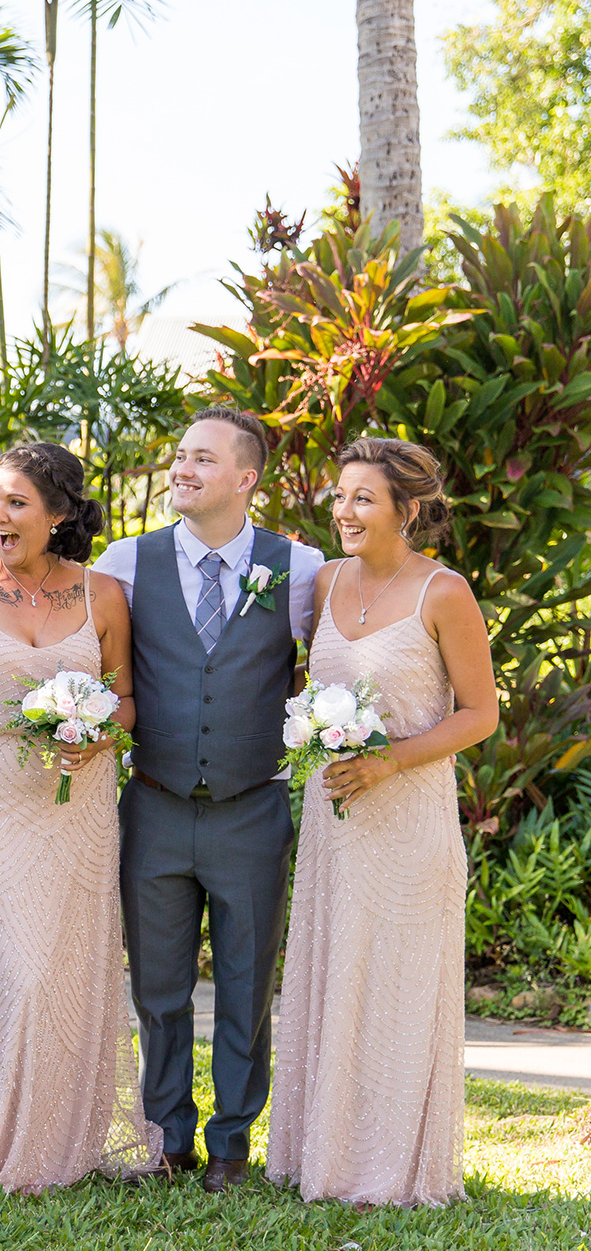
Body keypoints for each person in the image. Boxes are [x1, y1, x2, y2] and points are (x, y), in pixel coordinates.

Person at [0, 442, 160, 1192]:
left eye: (16, 502)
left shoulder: (104, 594)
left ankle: (61, 1140)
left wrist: (100, 733)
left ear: (58, 514)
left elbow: (126, 699)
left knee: (65, 966)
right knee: (12, 966)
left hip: (78, 800)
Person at [89, 406, 325, 1193]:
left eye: (201, 458)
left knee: (246, 981)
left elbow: (328, 671)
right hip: (153, 805)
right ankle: (167, 1137)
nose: (180, 469)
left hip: (252, 807)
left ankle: (231, 1141)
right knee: (157, 984)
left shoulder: (299, 567)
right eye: (178, 456)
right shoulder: (126, 561)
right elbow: (77, 656)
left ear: (245, 477)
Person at [267, 437, 495, 1208]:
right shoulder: (325, 581)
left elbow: (481, 714)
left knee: (395, 987)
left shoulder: (444, 592)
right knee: (338, 977)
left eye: (363, 497)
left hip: (409, 823)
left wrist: (389, 759)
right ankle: (324, 1155)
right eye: (340, 495)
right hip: (335, 823)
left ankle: (391, 1168)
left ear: (407, 507)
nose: (344, 510)